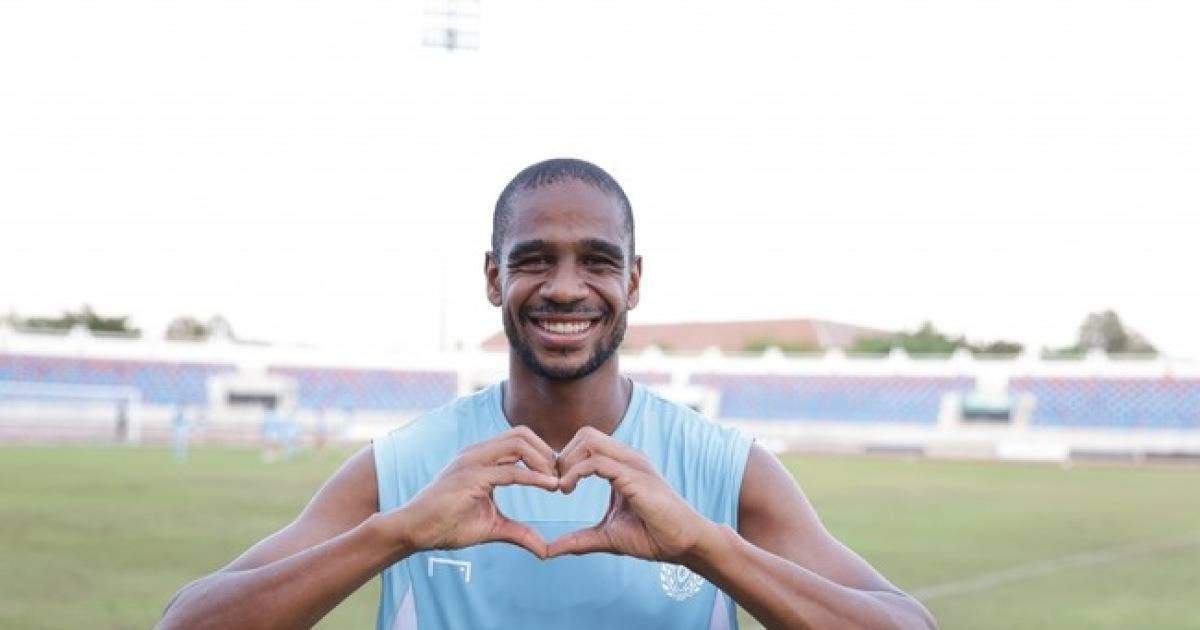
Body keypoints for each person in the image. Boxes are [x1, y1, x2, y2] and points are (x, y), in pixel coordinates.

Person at [155, 158, 937, 629]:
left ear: (633, 280)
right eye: (534, 259)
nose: (565, 287)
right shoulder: (405, 468)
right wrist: (396, 534)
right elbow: (186, 622)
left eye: (597, 260)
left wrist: (705, 546)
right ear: (493, 276)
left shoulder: (727, 472)